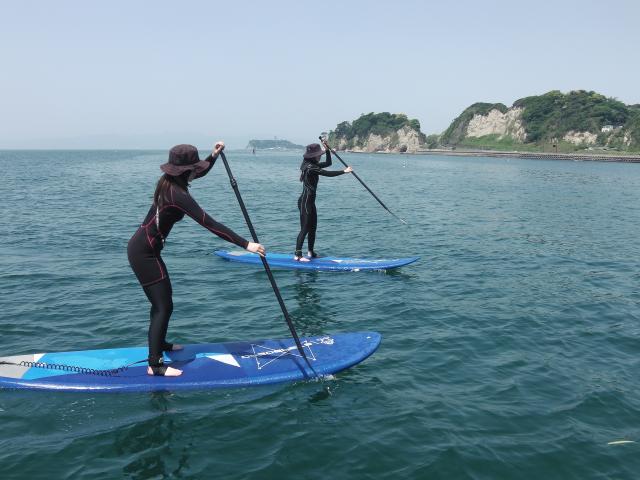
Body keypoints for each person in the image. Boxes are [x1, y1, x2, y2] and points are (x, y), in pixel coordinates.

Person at [127, 143, 265, 376]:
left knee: (162, 304)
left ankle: (160, 344)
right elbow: (209, 223)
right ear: (185, 171)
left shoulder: (170, 182)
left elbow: (199, 172)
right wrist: (246, 244)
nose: (196, 172)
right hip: (144, 253)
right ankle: (155, 365)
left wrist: (213, 156)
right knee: (163, 306)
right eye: (193, 168)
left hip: (144, 248)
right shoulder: (178, 195)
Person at [294, 141, 352, 261]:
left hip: (310, 202)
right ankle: (298, 255)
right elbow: (327, 173)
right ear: (313, 156)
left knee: (313, 227)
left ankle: (311, 252)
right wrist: (344, 171)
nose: (320, 156)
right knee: (305, 228)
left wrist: (327, 151)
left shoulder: (312, 164)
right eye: (319, 154)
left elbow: (328, 163)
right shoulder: (311, 168)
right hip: (305, 202)